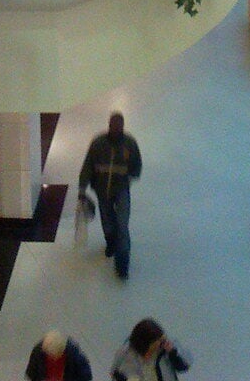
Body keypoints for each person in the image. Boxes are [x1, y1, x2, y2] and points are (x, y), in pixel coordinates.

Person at [78, 111, 141, 280]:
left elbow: (136, 165)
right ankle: (111, 242)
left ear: (123, 127)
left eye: (119, 126)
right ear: (109, 125)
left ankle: (122, 264)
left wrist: (129, 176)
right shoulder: (98, 144)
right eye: (113, 126)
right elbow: (88, 166)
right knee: (107, 220)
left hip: (121, 190)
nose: (116, 129)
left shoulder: (130, 144)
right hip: (102, 190)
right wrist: (82, 189)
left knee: (122, 224)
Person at [111, 318, 191, 381]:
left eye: (161, 340)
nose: (160, 345)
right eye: (156, 342)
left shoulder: (167, 349)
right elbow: (115, 373)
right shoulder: (125, 353)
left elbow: (184, 366)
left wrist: (173, 353)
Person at [25, 330, 92, 381]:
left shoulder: (73, 352)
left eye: (57, 355)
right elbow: (31, 374)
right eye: (50, 356)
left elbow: (86, 375)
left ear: (63, 349)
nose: (54, 359)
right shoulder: (38, 352)